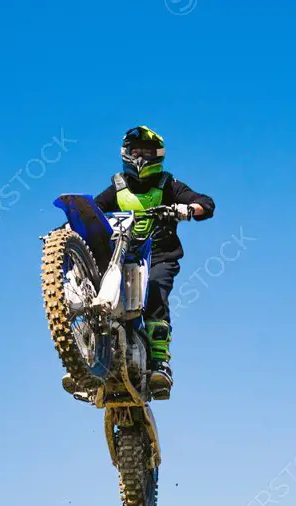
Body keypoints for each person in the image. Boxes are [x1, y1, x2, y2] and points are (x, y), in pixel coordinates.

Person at [62, 125, 215, 398]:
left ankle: (160, 364)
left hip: (158, 255)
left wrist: (187, 209)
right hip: (120, 256)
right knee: (91, 293)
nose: (141, 156)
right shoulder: (118, 186)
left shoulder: (167, 184)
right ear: (126, 153)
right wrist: (67, 228)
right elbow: (92, 212)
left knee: (156, 290)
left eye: (147, 151)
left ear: (158, 155)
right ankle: (83, 359)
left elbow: (205, 202)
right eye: (136, 150)